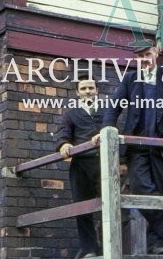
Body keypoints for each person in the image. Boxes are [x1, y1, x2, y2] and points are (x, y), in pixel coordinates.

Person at [99, 43, 163, 254]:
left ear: (156, 53)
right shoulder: (130, 79)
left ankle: (158, 244)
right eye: (140, 57)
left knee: (162, 194)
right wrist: (108, 128)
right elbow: (114, 105)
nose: (144, 59)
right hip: (138, 145)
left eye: (148, 54)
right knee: (140, 188)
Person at [56, 77, 103, 258]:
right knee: (82, 207)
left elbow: (115, 128)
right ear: (78, 92)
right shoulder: (70, 115)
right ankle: (90, 249)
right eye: (83, 88)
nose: (88, 91)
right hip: (81, 165)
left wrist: (121, 160)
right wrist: (63, 145)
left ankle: (112, 244)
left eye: (91, 87)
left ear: (96, 90)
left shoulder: (107, 111)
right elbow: (63, 133)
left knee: (111, 204)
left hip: (104, 162)